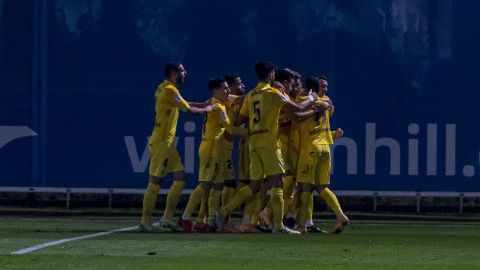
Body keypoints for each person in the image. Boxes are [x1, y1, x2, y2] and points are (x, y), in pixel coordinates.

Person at [217, 62, 318, 234]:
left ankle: (224, 210)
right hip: (270, 144)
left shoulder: (251, 95)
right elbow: (299, 107)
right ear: (271, 74)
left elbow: (239, 121)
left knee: (255, 185)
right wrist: (312, 99)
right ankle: (278, 226)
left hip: (253, 144)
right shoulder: (273, 93)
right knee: (277, 181)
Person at [139, 62, 215, 232]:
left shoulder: (164, 88)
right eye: (182, 70)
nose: (185, 72)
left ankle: (166, 219)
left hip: (166, 142)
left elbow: (183, 103)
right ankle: (145, 222)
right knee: (155, 181)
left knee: (180, 179)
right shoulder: (170, 90)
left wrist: (202, 104)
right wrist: (207, 109)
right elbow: (188, 111)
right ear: (174, 73)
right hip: (161, 143)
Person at [179, 78, 248, 233]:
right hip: (210, 148)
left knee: (217, 185)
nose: (228, 91)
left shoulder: (218, 103)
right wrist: (251, 132)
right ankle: (185, 217)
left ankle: (210, 221)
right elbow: (230, 129)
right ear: (216, 91)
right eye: (225, 88)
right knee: (205, 185)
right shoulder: (218, 106)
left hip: (217, 149)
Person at [295, 76, 349, 234]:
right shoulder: (327, 103)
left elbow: (298, 111)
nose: (325, 89)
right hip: (325, 147)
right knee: (322, 187)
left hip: (310, 147)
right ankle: (340, 215)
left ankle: (302, 226)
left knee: (305, 187)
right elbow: (325, 112)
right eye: (323, 86)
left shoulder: (303, 99)